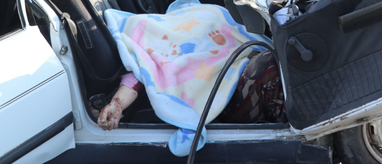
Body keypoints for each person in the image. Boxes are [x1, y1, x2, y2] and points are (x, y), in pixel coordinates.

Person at [97, 50, 286, 131]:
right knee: (269, 66)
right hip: (220, 97)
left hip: (232, 63)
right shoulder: (148, 41)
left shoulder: (184, 19)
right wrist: (117, 104)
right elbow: (141, 70)